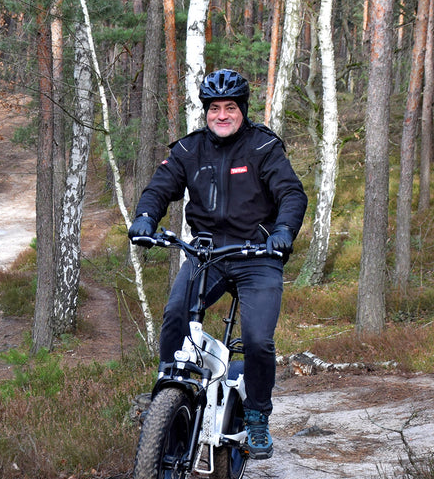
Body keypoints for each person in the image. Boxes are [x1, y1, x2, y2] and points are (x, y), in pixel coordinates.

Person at [128, 68, 308, 459]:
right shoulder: (190, 150)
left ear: (242, 110)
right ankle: (168, 393)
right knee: (176, 313)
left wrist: (283, 233)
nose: (221, 115)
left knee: (258, 339)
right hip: (206, 252)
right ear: (206, 111)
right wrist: (145, 217)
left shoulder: (263, 148)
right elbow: (160, 188)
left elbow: (292, 194)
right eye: (214, 108)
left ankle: (258, 415)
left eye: (230, 107)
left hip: (258, 254)